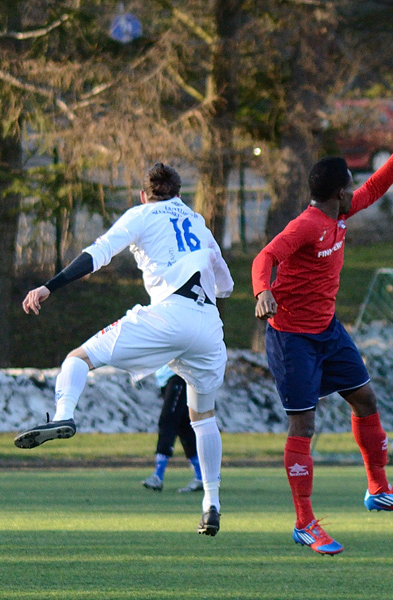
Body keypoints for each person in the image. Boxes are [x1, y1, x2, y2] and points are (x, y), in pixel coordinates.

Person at [15, 162, 233, 537]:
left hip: (168, 316)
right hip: (209, 327)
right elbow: (225, 284)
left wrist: (50, 286)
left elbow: (96, 255)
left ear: (143, 194)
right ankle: (211, 504)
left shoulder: (141, 213)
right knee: (203, 418)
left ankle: (63, 415)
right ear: (180, 194)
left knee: (78, 358)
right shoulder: (197, 221)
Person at [252, 126, 393, 555]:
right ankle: (304, 523)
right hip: (292, 339)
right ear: (337, 194)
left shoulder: (339, 213)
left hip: (329, 332)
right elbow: (265, 256)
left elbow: (374, 187)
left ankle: (379, 488)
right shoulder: (308, 224)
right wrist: (263, 290)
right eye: (349, 188)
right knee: (304, 425)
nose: (356, 193)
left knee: (365, 400)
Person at [141, 365, 203, 493]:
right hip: (166, 377)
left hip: (179, 374)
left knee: (168, 420)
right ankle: (201, 476)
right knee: (183, 426)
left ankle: (158, 475)